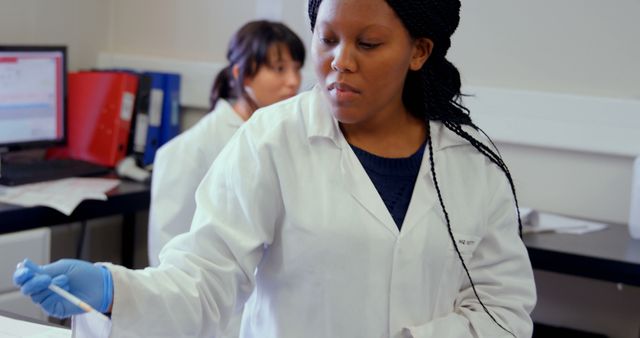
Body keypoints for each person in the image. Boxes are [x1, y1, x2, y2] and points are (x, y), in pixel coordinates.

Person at [14, 0, 537, 337]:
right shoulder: (271, 140)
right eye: (327, 39)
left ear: (419, 51)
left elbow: (504, 310)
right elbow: (205, 280)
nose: (340, 62)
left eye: (368, 44)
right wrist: (114, 289)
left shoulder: (471, 164)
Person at [145, 20, 305, 338]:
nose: (293, 82)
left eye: (297, 68)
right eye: (278, 68)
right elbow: (167, 260)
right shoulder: (188, 151)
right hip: (219, 324)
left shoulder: (289, 139)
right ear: (241, 75)